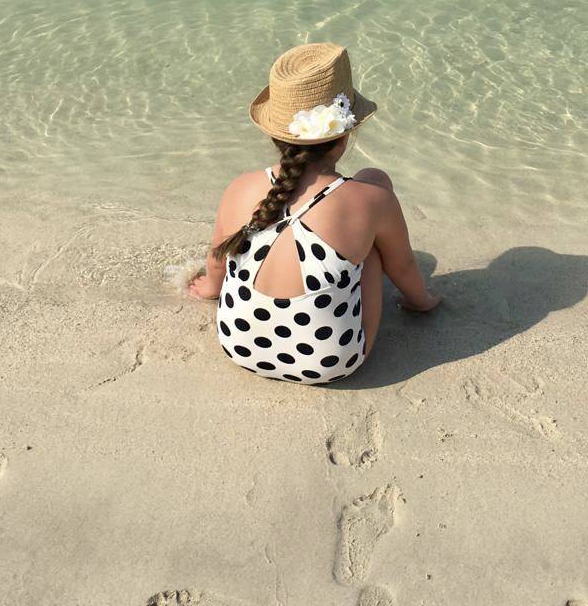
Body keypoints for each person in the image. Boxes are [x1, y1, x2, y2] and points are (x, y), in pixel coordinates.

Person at [186, 42, 441, 384]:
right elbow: (404, 266)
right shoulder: (368, 201)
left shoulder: (241, 187)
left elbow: (217, 258)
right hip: (330, 361)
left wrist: (208, 289)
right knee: (375, 235)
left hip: (237, 345)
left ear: (276, 136)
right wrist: (422, 302)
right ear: (344, 135)